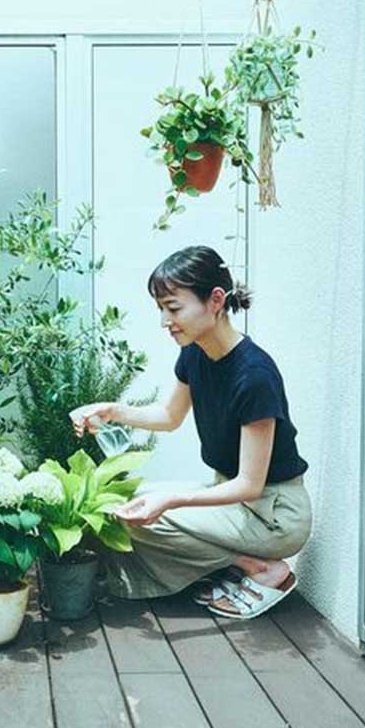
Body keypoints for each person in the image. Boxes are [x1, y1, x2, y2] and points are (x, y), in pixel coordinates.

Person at [71, 245, 312, 619]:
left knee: (151, 514)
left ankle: (261, 568)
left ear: (216, 300)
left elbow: (250, 484)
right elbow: (169, 416)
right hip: (235, 501)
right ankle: (236, 565)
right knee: (125, 500)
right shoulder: (196, 352)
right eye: (161, 310)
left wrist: (170, 502)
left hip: (274, 515)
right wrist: (111, 410)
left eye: (173, 308)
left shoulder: (254, 376)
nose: (166, 321)